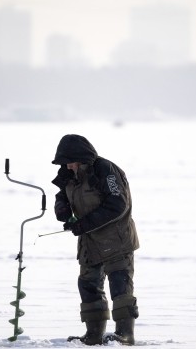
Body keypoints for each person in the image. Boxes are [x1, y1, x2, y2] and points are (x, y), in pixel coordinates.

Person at [51, 134, 140, 346]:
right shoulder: (68, 173)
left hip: (116, 240)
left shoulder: (105, 170)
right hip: (89, 242)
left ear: (82, 157)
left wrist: (84, 224)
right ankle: (93, 335)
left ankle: (125, 335)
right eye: (65, 163)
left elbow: (118, 204)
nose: (69, 166)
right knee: (88, 285)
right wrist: (61, 208)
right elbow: (61, 195)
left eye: (71, 161)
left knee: (120, 284)